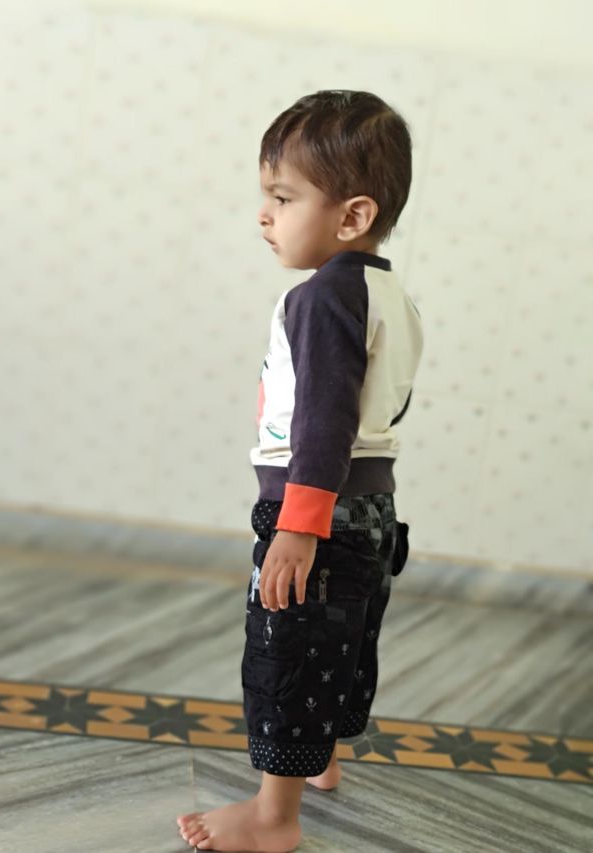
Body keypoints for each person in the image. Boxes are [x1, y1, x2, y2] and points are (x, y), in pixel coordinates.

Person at [177, 89, 424, 852]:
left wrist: (299, 524)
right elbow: (388, 407)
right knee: (340, 643)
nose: (265, 215)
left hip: (317, 510)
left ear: (351, 216)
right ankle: (323, 760)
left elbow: (324, 421)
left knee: (287, 651)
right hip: (373, 510)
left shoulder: (320, 298)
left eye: (283, 198)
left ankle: (271, 817)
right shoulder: (391, 295)